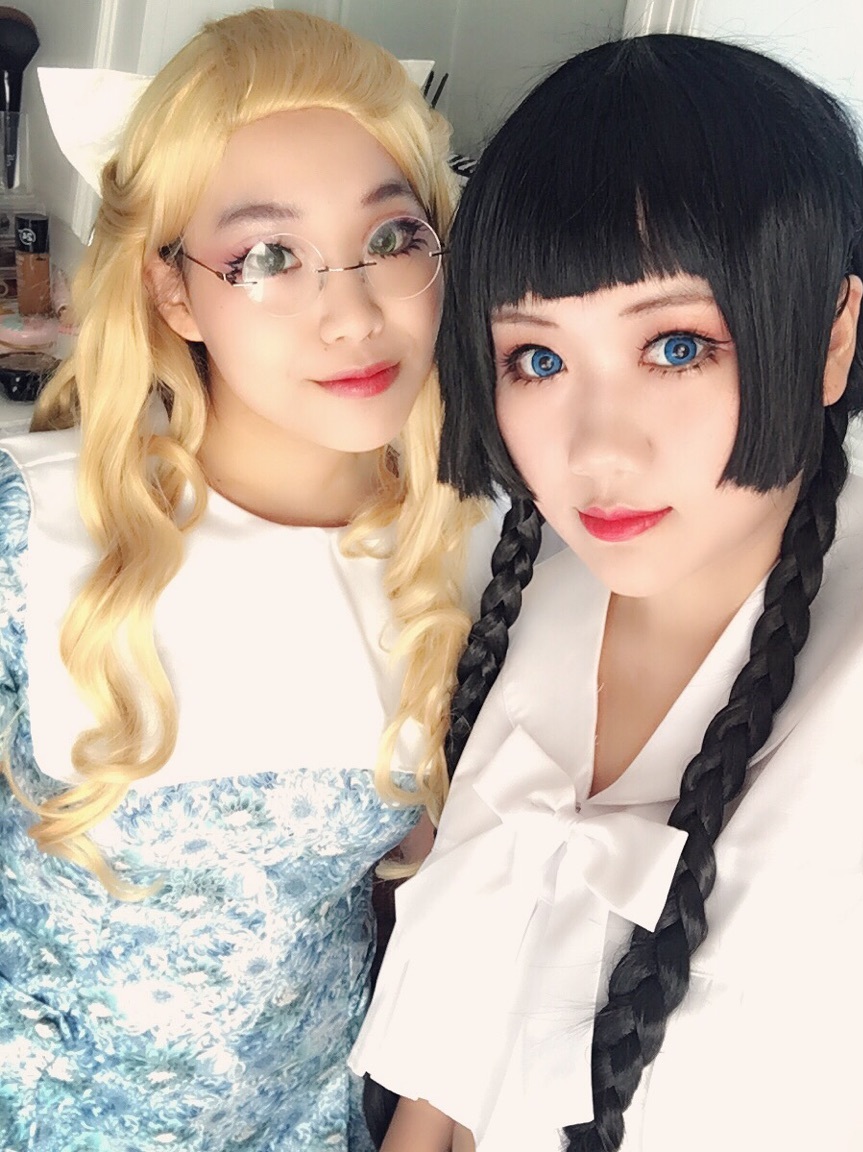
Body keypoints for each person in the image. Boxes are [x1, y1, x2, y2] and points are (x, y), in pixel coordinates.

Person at [350, 33, 863, 1152]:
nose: (595, 450)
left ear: (830, 334)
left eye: (674, 346)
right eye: (538, 360)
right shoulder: (524, 593)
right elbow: (450, 1059)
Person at [0, 8, 486, 1150]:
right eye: (268, 256)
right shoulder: (30, 531)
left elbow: (478, 932)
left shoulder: (474, 550)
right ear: (173, 292)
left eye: (392, 237)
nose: (351, 313)